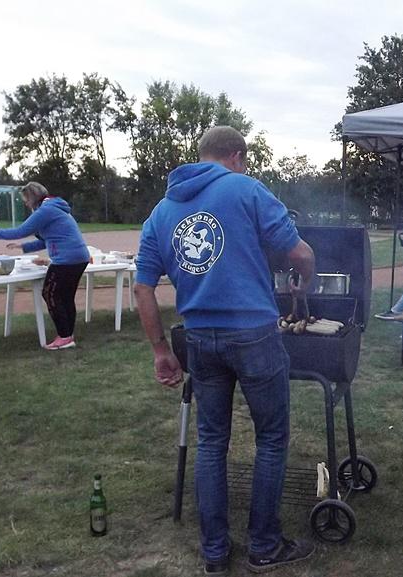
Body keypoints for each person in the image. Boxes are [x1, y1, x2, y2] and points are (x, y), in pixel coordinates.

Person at [133, 126, 316, 575]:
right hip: (253, 334)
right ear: (236, 156)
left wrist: (160, 350)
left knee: (212, 442)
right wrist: (304, 283)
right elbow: (300, 254)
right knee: (271, 438)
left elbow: (142, 288)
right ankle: (264, 546)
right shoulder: (245, 188)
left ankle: (214, 552)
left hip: (199, 338)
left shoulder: (161, 211)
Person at [0, 182, 89, 350]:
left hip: (66, 259)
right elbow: (48, 239)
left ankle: (64, 336)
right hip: (79, 257)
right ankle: (67, 335)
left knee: (50, 294)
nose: (26, 204)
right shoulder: (55, 208)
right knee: (65, 297)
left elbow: (19, 231)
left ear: (33, 197)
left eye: (26, 200)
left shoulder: (45, 210)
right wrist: (23, 247)